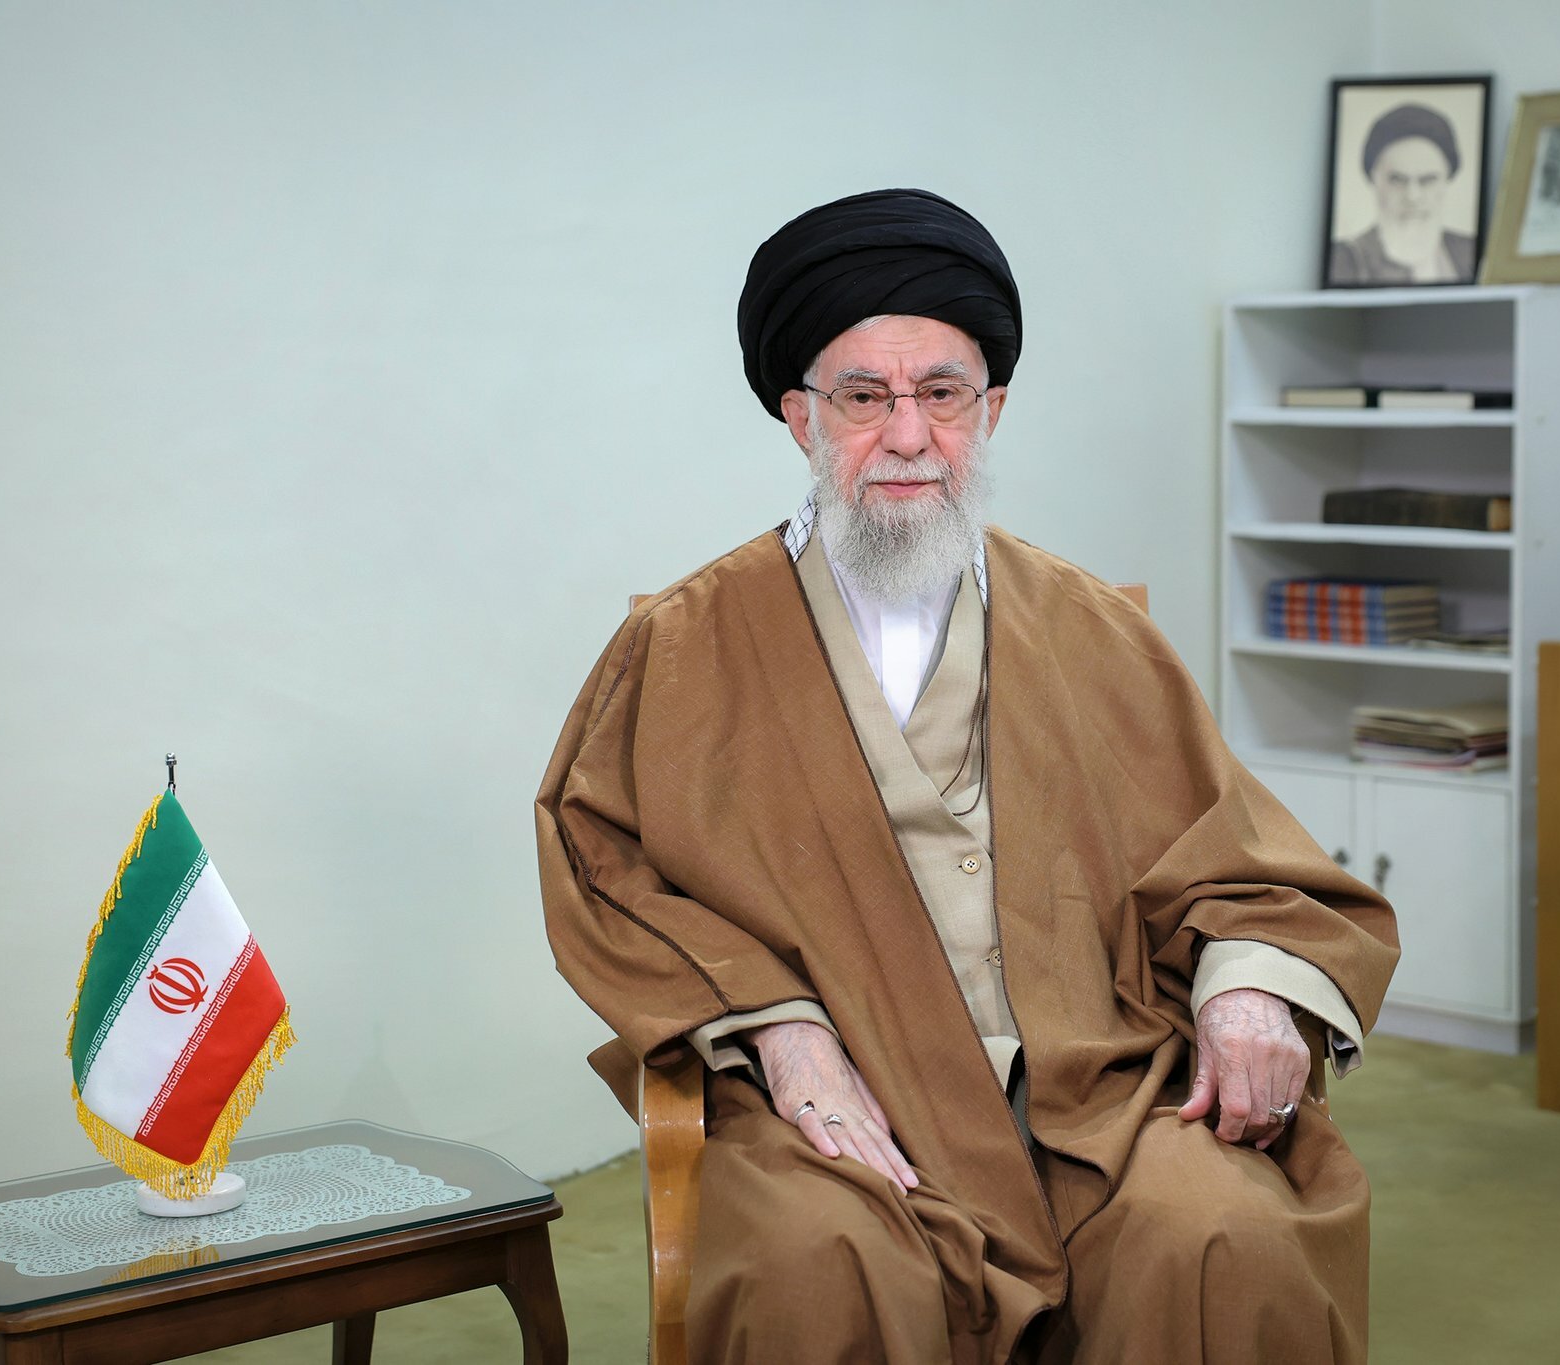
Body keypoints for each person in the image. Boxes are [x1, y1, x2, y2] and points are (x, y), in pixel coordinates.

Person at [537, 188, 1400, 1364]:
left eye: (940, 394)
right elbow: (604, 869)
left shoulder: (1096, 630)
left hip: (1102, 1084)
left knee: (1220, 1238)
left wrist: (1244, 992)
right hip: (844, 1097)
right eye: (863, 398)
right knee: (814, 1265)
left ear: (988, 410)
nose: (906, 436)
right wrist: (783, 1036)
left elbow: (1242, 865)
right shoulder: (684, 644)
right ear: (799, 417)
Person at [1328, 102, 1476, 285]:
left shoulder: (1470, 252)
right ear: (1373, 180)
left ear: (1447, 181)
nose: (1413, 196)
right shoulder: (1343, 260)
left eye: (1428, 180)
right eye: (1397, 180)